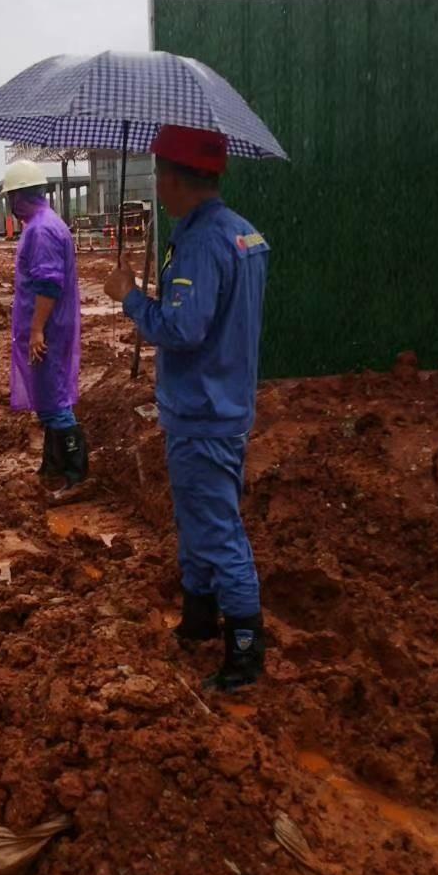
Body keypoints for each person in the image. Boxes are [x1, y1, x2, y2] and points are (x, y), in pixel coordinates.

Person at [103, 126, 269, 692]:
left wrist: (129, 298)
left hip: (202, 411)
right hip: (225, 402)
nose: (157, 187)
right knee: (198, 520)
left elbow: (182, 327)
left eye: (158, 176)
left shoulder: (200, 242)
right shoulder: (243, 234)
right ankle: (199, 621)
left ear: (173, 179)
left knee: (218, 530)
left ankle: (245, 652)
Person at [4, 159, 89, 490]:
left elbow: (49, 284)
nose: (10, 206)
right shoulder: (40, 225)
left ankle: (75, 473)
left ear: (19, 197)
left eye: (11, 199)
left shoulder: (41, 230)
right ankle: (53, 465)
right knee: (48, 399)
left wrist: (37, 329)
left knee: (54, 400)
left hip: (49, 330)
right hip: (48, 328)